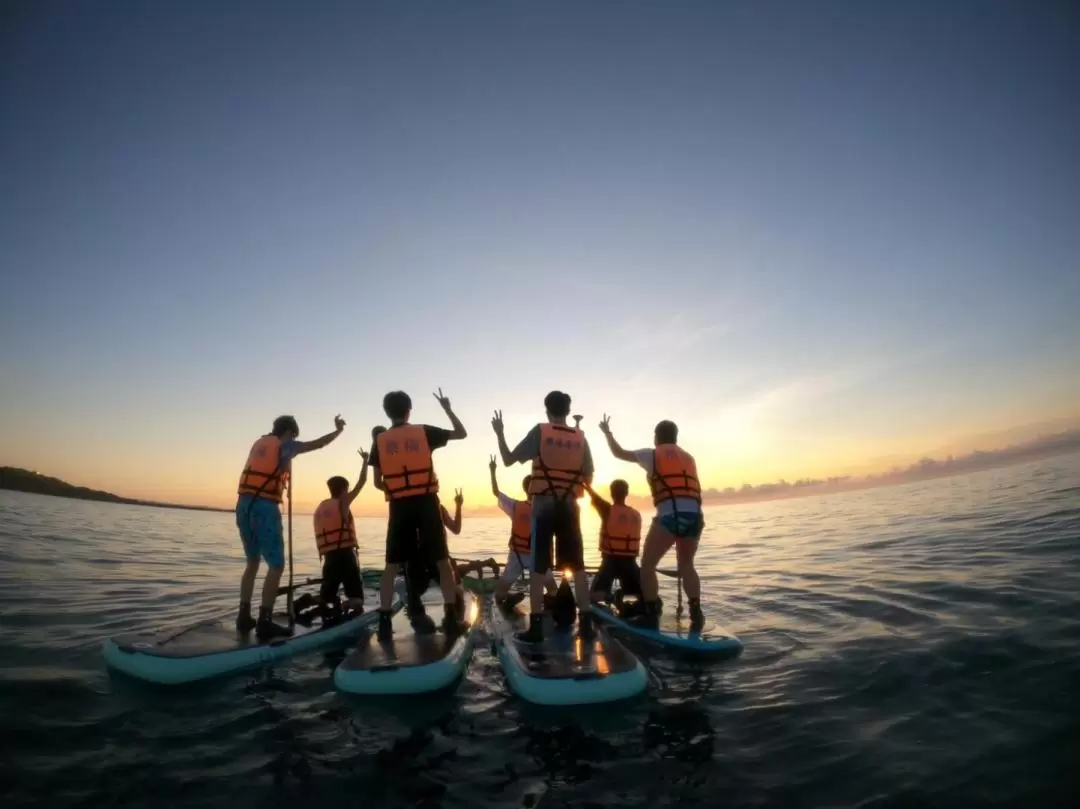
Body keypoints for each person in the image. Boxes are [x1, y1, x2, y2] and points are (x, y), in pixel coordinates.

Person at [492, 390, 595, 643]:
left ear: (547, 410)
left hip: (543, 507)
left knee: (539, 566)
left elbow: (507, 459)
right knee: (578, 567)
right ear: (568, 411)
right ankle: (588, 625)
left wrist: (499, 433)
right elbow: (589, 476)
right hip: (570, 507)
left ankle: (536, 627)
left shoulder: (540, 432)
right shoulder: (581, 438)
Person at [236, 414, 346, 640]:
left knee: (253, 562)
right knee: (276, 566)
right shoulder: (285, 444)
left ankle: (243, 616)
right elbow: (318, 444)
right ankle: (264, 622)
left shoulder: (260, 443)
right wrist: (338, 431)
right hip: (264, 508)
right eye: (294, 435)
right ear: (289, 431)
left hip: (243, 505)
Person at [369, 388, 467, 640]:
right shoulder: (423, 431)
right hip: (426, 502)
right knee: (442, 561)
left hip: (399, 506)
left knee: (391, 565)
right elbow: (461, 433)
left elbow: (377, 483)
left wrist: (398, 486)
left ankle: (384, 623)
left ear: (387, 412)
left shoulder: (379, 441)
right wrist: (447, 408)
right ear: (408, 409)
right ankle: (450, 618)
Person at [597, 415, 705, 629]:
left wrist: (607, 433)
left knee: (647, 565)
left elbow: (618, 453)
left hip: (669, 516)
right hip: (694, 516)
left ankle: (650, 609)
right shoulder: (689, 458)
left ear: (657, 437)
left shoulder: (652, 455)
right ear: (675, 437)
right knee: (687, 565)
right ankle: (696, 611)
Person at [488, 456, 557, 610]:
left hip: (521, 555)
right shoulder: (544, 509)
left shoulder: (516, 506)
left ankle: (507, 600)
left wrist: (493, 471)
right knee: (553, 589)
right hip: (529, 555)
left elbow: (495, 492)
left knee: (500, 593)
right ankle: (543, 603)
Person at [311, 450, 370, 618]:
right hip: (345, 556)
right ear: (344, 489)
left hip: (329, 557)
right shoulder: (343, 502)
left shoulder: (321, 507)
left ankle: (316, 602)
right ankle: (347, 605)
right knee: (357, 600)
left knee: (326, 596)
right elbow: (362, 481)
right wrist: (365, 461)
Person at [403, 487, 467, 632]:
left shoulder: (432, 508)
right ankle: (418, 613)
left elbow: (456, 529)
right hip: (426, 559)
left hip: (432, 559)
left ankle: (450, 618)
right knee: (454, 588)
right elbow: (456, 529)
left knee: (454, 589)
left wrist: (458, 506)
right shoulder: (430, 509)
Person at [583, 479, 643, 608]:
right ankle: (625, 595)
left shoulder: (607, 510)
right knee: (644, 593)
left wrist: (586, 485)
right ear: (626, 493)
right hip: (630, 563)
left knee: (592, 596)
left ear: (611, 493)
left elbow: (594, 497)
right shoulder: (636, 514)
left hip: (610, 562)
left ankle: (611, 597)